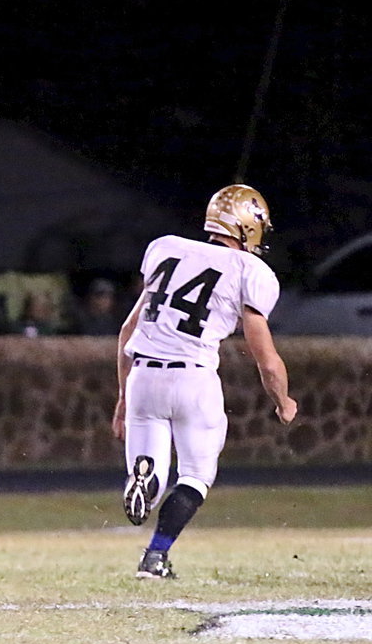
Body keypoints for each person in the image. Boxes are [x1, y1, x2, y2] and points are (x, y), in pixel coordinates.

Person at [112, 184, 296, 579]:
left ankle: (145, 479)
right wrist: (283, 400)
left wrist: (123, 398)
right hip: (194, 378)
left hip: (143, 374)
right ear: (249, 226)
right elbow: (265, 358)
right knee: (195, 476)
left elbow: (128, 331)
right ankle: (155, 557)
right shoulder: (251, 271)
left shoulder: (165, 248)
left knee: (153, 471)